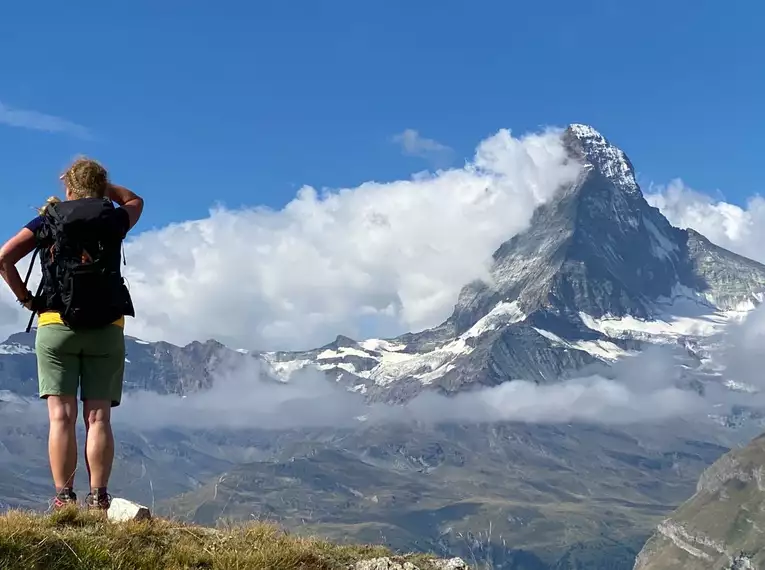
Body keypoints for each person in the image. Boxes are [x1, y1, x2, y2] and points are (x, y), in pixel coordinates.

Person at [0, 157, 144, 510]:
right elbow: (135, 200)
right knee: (98, 417)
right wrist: (103, 191)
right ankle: (99, 499)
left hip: (54, 324)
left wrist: (27, 300)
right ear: (100, 187)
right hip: (107, 327)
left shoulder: (48, 220)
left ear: (68, 187)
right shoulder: (113, 218)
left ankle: (64, 499)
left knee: (60, 417)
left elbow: (4, 258)